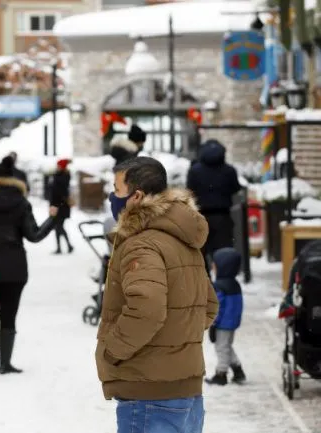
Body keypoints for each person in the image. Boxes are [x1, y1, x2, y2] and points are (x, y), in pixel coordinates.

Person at [99, 156, 218, 433]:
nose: (112, 198)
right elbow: (208, 305)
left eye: (116, 190)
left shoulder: (142, 244)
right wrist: (175, 339)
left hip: (149, 395)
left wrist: (113, 350)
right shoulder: (181, 239)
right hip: (186, 393)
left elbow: (147, 309)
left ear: (136, 196)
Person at [0, 156, 56, 374]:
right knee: (9, 314)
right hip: (15, 266)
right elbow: (34, 235)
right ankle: (5, 363)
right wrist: (52, 219)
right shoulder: (20, 201)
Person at [186, 139, 242, 273]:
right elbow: (235, 188)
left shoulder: (195, 170)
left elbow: (189, 191)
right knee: (223, 254)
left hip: (200, 216)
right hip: (222, 216)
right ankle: (223, 283)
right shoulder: (229, 170)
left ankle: (206, 284)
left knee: (200, 253)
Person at [206, 247, 245, 386]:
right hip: (231, 323)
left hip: (222, 323)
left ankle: (221, 374)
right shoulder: (235, 285)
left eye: (214, 265)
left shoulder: (219, 286)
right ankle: (238, 369)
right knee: (226, 346)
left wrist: (213, 323)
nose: (212, 267)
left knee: (222, 348)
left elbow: (218, 308)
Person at [49, 158, 74, 254]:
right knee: (57, 226)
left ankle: (67, 246)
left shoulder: (63, 176)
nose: (57, 167)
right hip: (56, 205)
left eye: (59, 166)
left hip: (62, 205)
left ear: (62, 167)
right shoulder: (58, 176)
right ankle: (62, 247)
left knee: (59, 226)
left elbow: (60, 191)